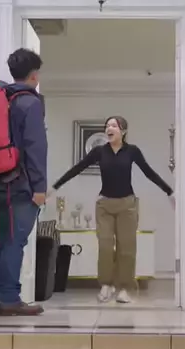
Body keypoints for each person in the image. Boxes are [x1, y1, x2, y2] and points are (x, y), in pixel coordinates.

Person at [50, 116, 174, 304]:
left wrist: (169, 192)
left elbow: (149, 173)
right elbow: (77, 168)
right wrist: (55, 187)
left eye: (114, 125)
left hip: (127, 206)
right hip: (105, 206)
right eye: (107, 126)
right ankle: (106, 285)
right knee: (105, 246)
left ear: (123, 131)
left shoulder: (132, 151)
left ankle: (125, 288)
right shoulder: (99, 151)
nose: (109, 128)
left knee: (126, 249)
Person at [0, 48, 47, 316]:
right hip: (21, 184)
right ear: (34, 75)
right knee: (14, 241)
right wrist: (40, 187)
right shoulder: (30, 103)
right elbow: (35, 147)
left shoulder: (2, 99)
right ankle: (9, 298)